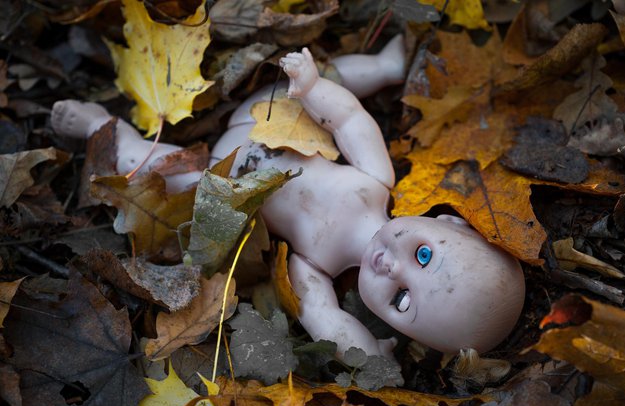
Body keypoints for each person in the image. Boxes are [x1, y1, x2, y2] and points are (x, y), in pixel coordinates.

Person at [51, 37, 525, 359]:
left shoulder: (313, 265)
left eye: (401, 301)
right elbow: (351, 122)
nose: (391, 268)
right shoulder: (375, 181)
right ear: (452, 223)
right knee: (340, 80)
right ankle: (386, 65)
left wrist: (366, 354)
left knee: (156, 171)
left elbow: (324, 318)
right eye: (423, 254)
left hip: (220, 176)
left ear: (397, 330)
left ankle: (100, 128)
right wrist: (315, 88)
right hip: (278, 108)